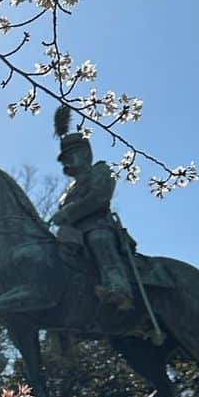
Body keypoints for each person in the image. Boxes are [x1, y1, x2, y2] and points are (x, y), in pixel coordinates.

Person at [49, 121, 134, 311]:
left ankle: (119, 288)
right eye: (64, 160)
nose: (66, 163)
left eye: (69, 157)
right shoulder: (69, 191)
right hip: (72, 235)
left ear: (85, 154)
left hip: (98, 225)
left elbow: (99, 197)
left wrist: (68, 212)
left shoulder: (101, 170)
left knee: (99, 240)